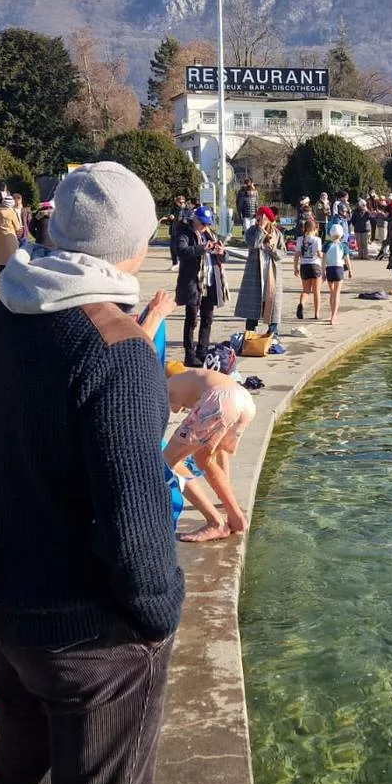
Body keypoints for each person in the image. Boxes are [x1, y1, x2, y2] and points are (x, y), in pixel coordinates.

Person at [0, 161, 183, 784]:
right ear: (138, 244)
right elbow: (138, 528)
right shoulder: (117, 351)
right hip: (93, 642)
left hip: (3, 613)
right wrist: (157, 617)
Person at [164, 367, 257, 543]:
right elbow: (220, 453)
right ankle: (236, 517)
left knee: (169, 461)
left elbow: (168, 414)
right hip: (244, 399)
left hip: (220, 399)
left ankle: (216, 523)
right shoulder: (193, 376)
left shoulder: (162, 386)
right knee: (205, 458)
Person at [173, 205, 226, 366]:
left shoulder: (210, 234)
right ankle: (189, 355)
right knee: (191, 320)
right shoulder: (184, 232)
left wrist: (222, 252)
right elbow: (182, 251)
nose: (205, 227)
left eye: (207, 224)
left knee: (207, 319)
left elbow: (224, 257)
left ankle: (202, 351)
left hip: (209, 281)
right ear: (195, 220)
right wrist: (203, 248)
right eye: (202, 223)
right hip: (193, 283)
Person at [235, 206, 283, 336]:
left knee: (273, 301)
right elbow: (254, 243)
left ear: (268, 218)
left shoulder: (277, 233)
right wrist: (261, 229)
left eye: (262, 216)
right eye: (258, 215)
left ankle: (273, 333)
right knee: (254, 302)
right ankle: (250, 333)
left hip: (272, 273)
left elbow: (282, 254)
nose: (258, 218)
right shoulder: (252, 231)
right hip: (255, 272)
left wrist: (272, 249)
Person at [294, 217, 323, 321]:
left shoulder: (300, 239)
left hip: (304, 266)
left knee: (306, 290)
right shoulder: (317, 239)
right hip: (315, 265)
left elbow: (297, 254)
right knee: (317, 292)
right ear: (315, 229)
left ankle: (301, 304)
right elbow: (319, 254)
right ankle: (316, 314)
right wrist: (325, 257)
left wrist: (295, 267)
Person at [324, 223, 353, 325]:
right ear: (341, 235)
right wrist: (350, 271)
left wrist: (323, 271)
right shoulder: (343, 246)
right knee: (337, 294)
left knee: (331, 293)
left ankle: (332, 314)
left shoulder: (327, 245)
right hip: (338, 269)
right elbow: (347, 260)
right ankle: (334, 316)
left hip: (329, 269)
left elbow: (324, 260)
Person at [0, 192, 22, 270]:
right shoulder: (11, 212)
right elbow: (17, 227)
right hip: (9, 237)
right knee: (11, 257)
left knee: (1, 258)